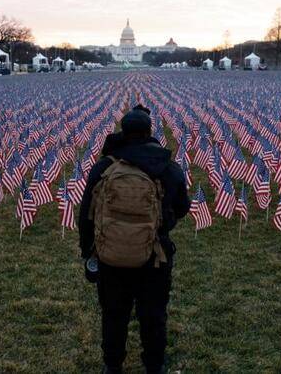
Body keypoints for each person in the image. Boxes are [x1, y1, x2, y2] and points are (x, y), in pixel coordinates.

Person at [79, 104, 190, 374]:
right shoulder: (167, 167)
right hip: (154, 255)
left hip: (110, 254)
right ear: (150, 131)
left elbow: (86, 214)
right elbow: (183, 206)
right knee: (153, 315)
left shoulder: (104, 166)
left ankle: (113, 365)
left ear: (123, 131)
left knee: (114, 314)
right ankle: (154, 365)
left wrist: (88, 252)